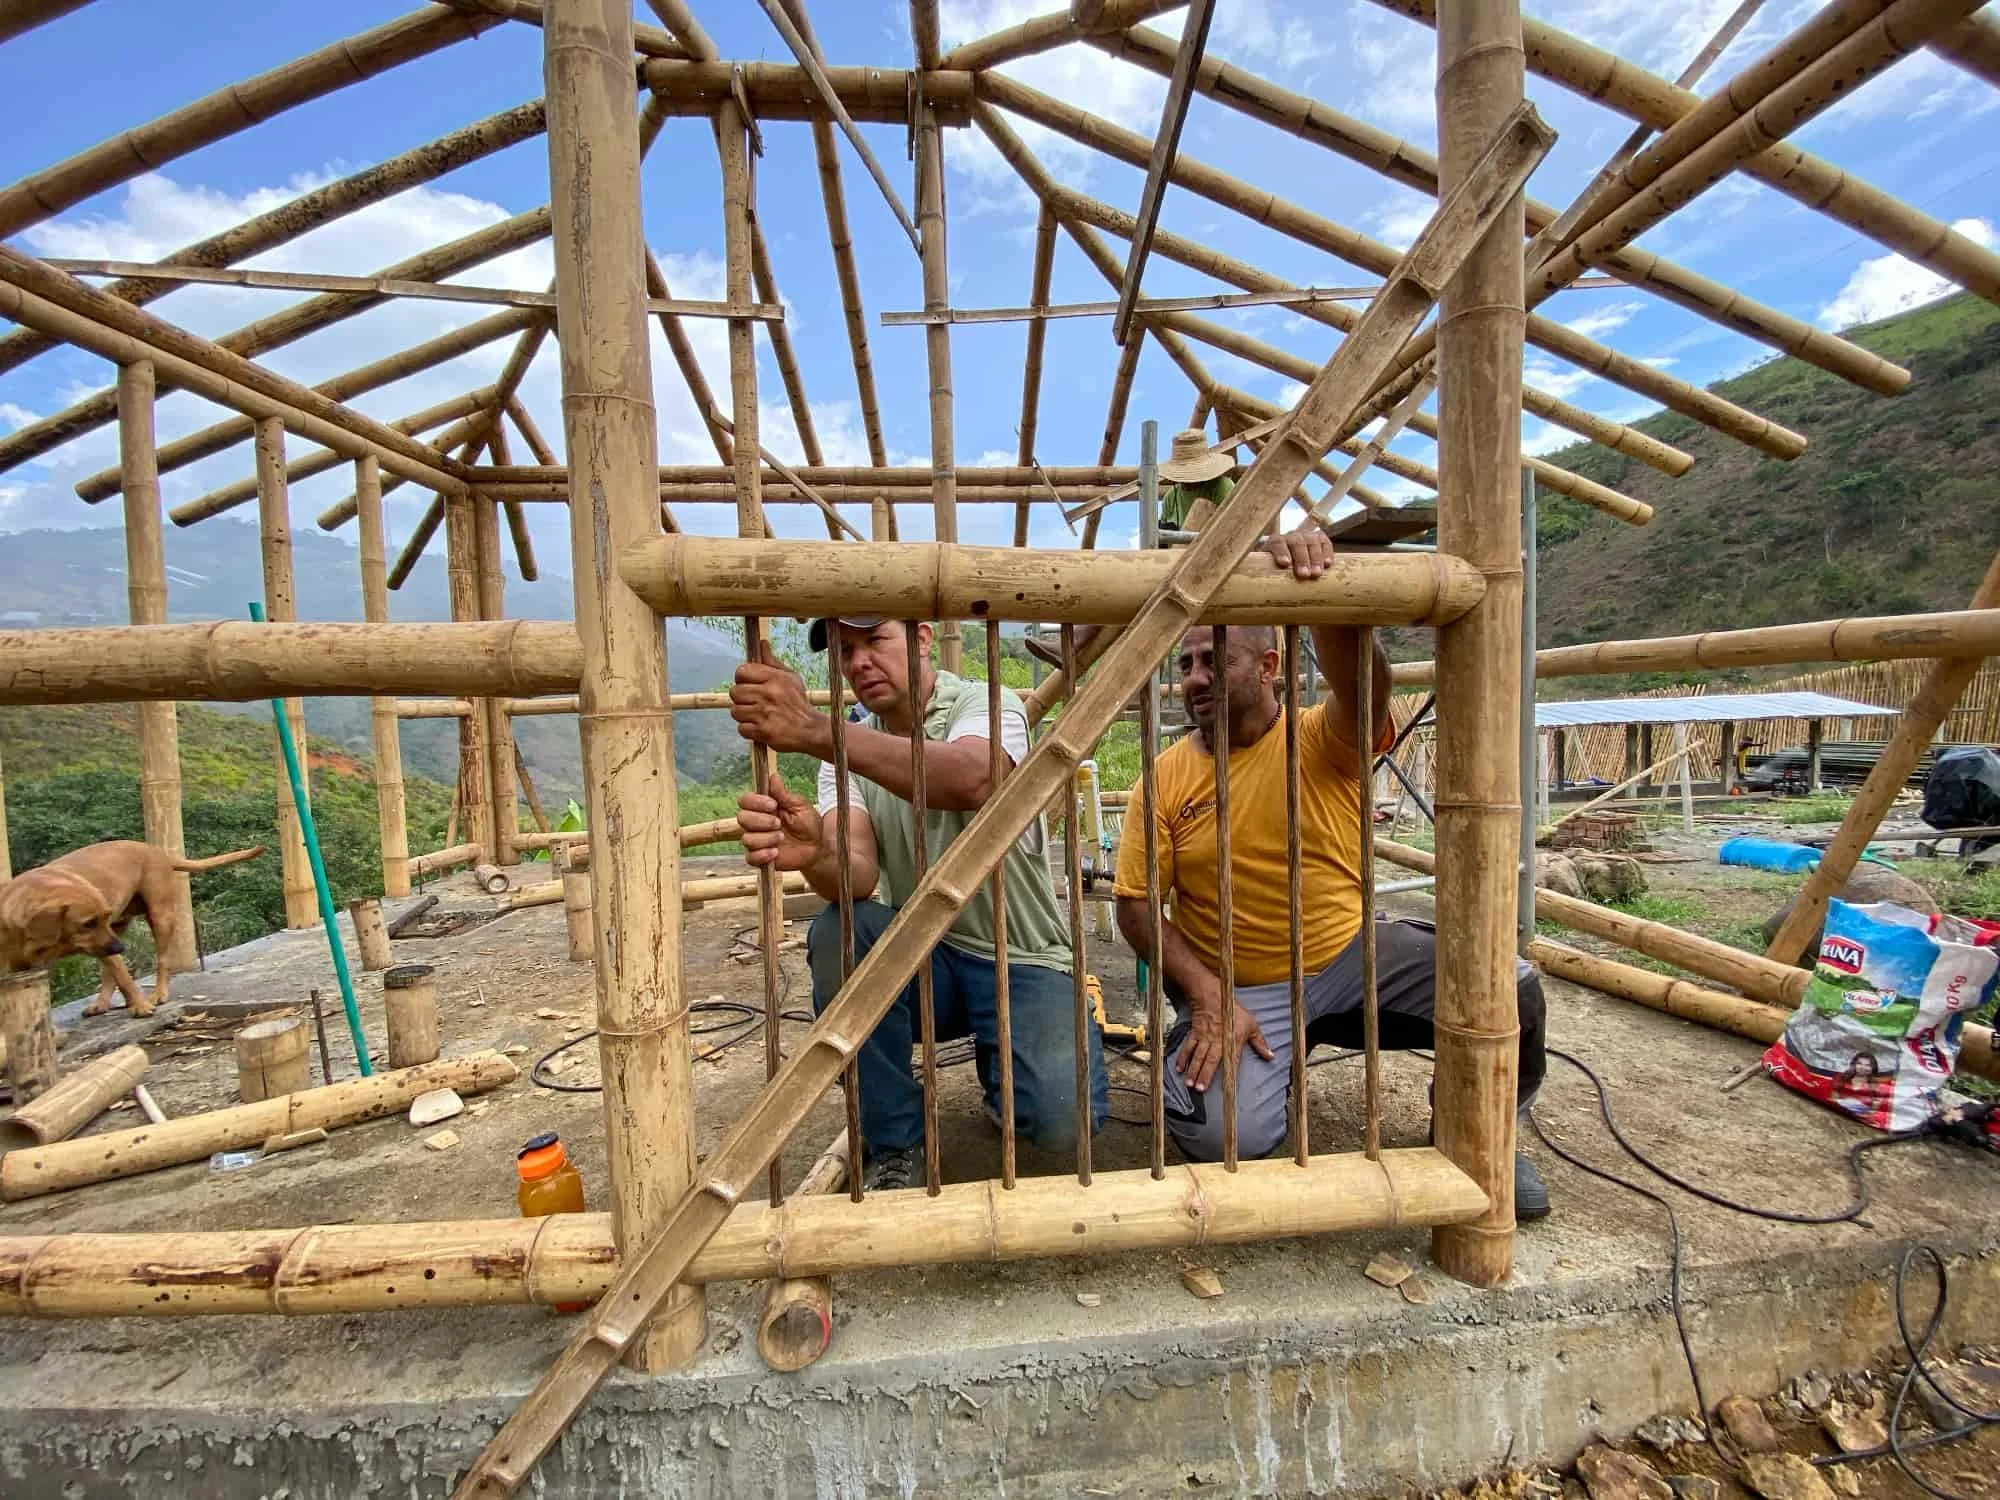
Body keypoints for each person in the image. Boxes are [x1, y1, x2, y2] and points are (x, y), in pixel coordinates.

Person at [1111, 527, 1551, 1218]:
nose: (1193, 677)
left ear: (1269, 664)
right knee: (1223, 1140)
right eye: (1186, 662)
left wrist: (1324, 595)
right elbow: (1134, 906)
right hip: (1243, 984)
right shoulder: (1161, 781)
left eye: (1213, 659)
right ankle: (1250, 1066)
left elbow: (1365, 690)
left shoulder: (1321, 739)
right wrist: (1205, 992)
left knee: (1512, 985)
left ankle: (1479, 1135)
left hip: (1349, 954)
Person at [730, 618, 1109, 1191]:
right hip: (925, 954)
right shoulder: (846, 752)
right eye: (845, 650)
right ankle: (897, 1137)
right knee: (841, 933)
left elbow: (976, 779)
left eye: (874, 641)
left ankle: (1005, 1060)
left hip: (1020, 955)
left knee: (1063, 1128)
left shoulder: (986, 705)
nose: (858, 662)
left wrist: (813, 728)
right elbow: (856, 877)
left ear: (923, 638)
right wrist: (814, 854)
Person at [1026, 427, 1239, 669]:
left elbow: (1237, 532)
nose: (1186, 481)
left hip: (1207, 569)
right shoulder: (1172, 497)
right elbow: (1161, 539)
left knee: (1132, 589)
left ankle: (1074, 642)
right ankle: (1074, 644)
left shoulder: (1222, 488)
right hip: (1172, 567)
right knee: (1121, 582)